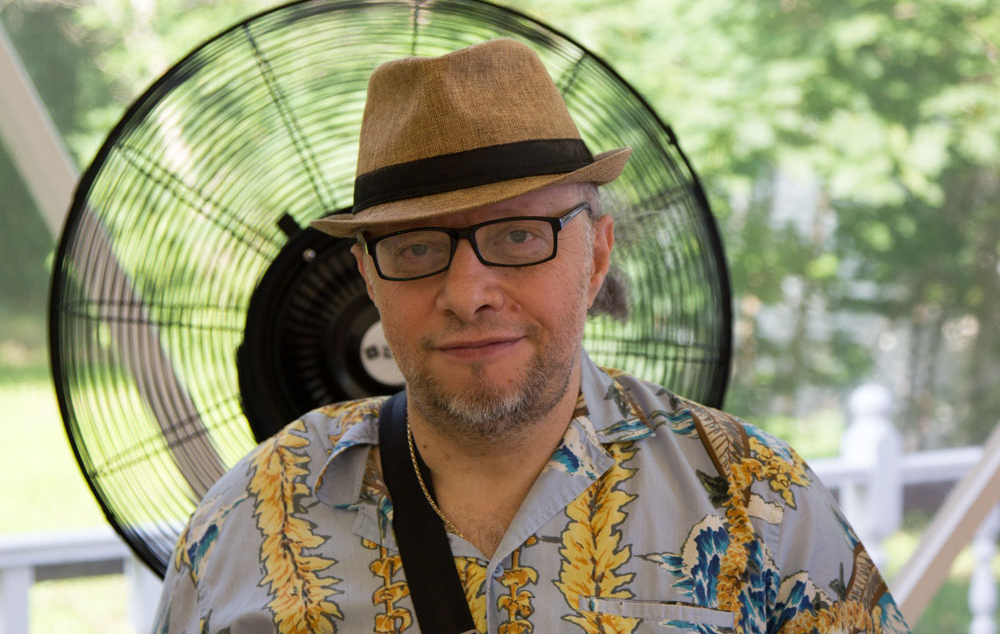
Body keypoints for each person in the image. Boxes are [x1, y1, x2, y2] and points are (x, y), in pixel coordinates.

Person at [154, 38, 910, 633]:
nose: (468, 295)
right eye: (414, 248)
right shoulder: (252, 515)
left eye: (518, 236)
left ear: (596, 255)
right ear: (368, 277)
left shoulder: (756, 497)